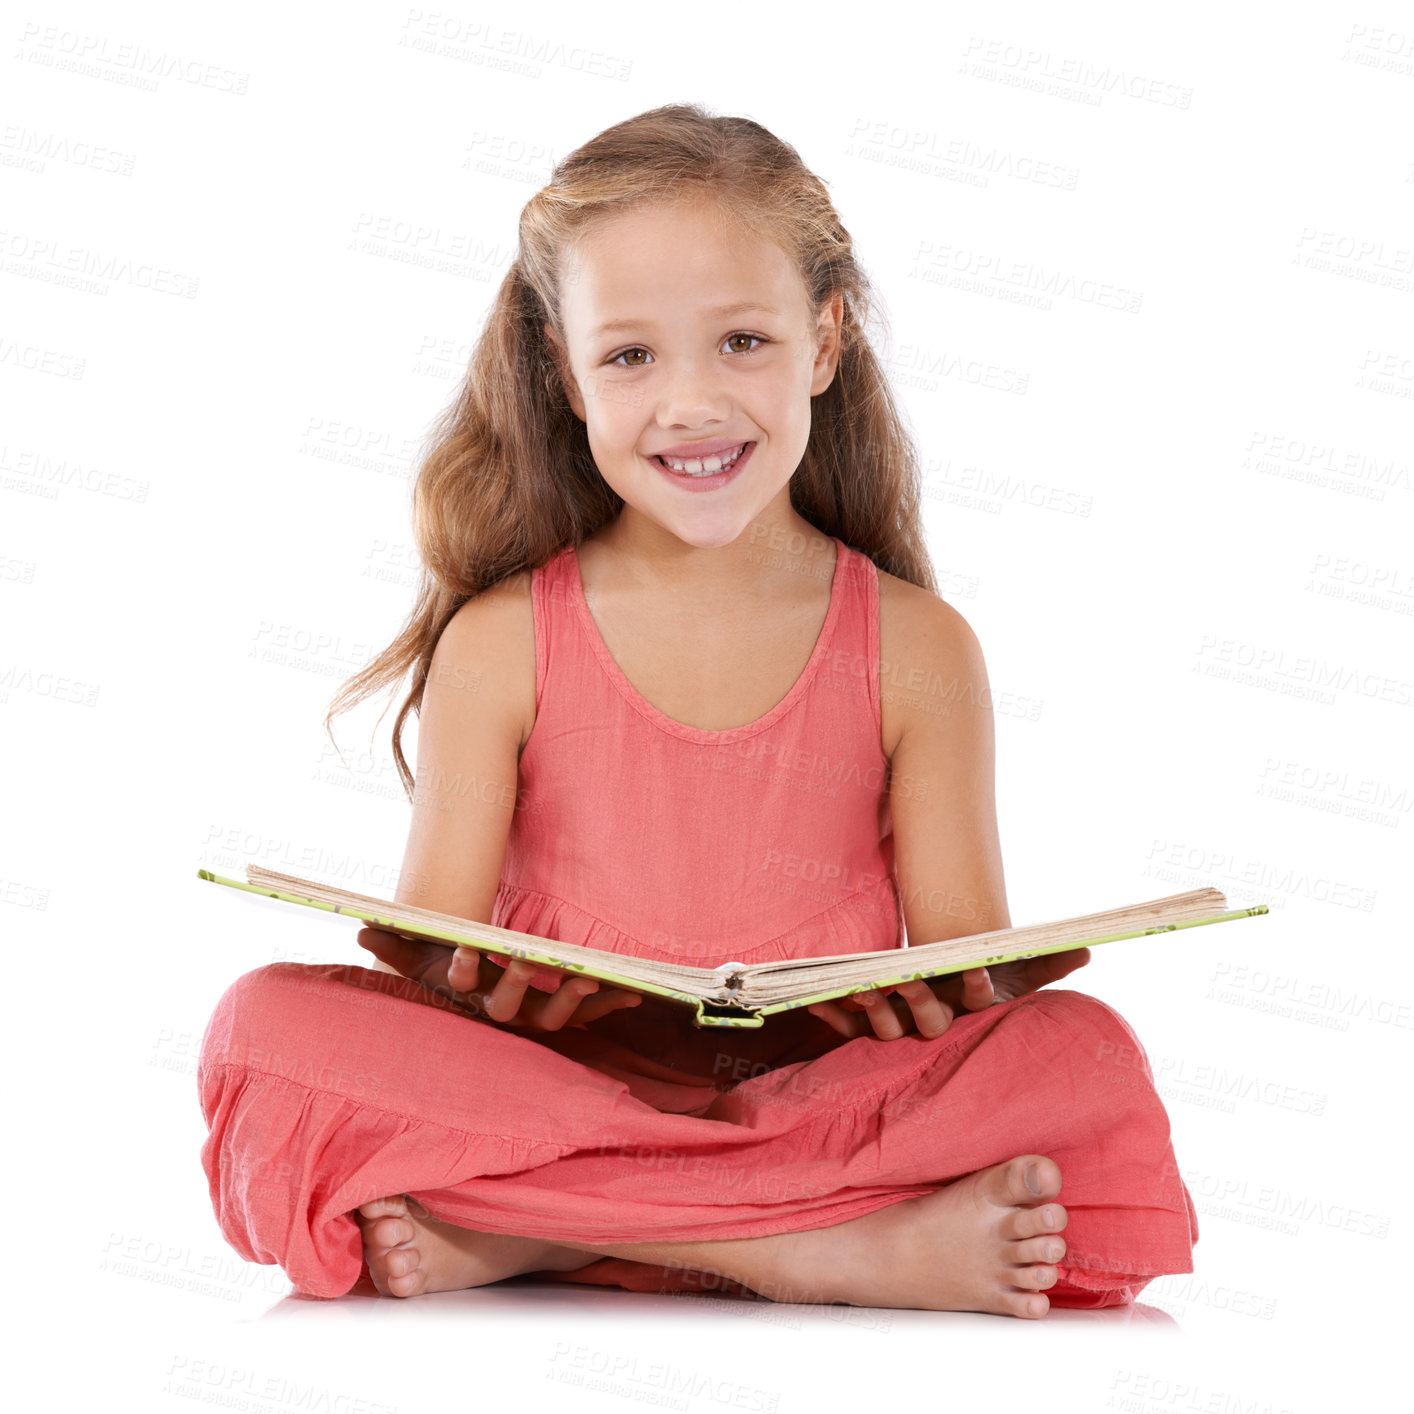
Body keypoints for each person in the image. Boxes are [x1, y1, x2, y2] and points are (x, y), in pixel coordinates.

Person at [197, 102, 1198, 1320]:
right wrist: (482, 992)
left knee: (1081, 1058)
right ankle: (807, 1249)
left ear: (824, 340)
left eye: (741, 341)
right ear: (562, 373)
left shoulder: (918, 647)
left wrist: (940, 993)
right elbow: (437, 979)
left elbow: (966, 994)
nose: (692, 403)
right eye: (630, 356)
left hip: (826, 1109)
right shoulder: (503, 642)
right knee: (261, 1030)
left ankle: (542, 1231)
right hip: (550, 1098)